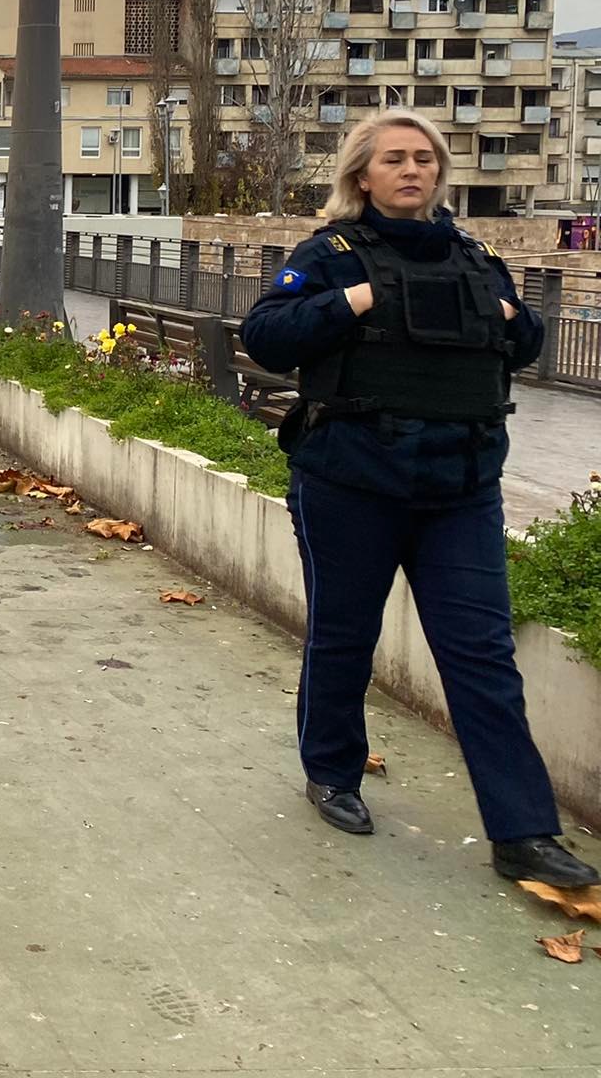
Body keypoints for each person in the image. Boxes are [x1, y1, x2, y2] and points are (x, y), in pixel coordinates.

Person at [240, 109, 597, 890]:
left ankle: (524, 833)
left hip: (460, 490)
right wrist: (354, 304)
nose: (413, 170)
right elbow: (266, 334)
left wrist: (513, 315)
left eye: (425, 159)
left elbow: (528, 342)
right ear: (362, 175)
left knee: (483, 658)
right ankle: (332, 774)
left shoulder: (475, 257)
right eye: (395, 159)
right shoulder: (329, 254)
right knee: (345, 636)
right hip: (351, 482)